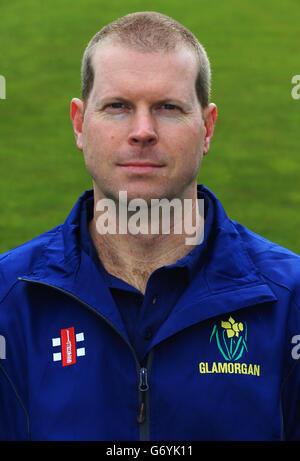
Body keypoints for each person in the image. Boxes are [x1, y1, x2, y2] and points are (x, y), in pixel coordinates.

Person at [0, 11, 300, 442]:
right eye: (119, 106)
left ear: (208, 126)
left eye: (168, 108)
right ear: (80, 124)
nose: (143, 131)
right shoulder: (9, 298)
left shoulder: (290, 300)